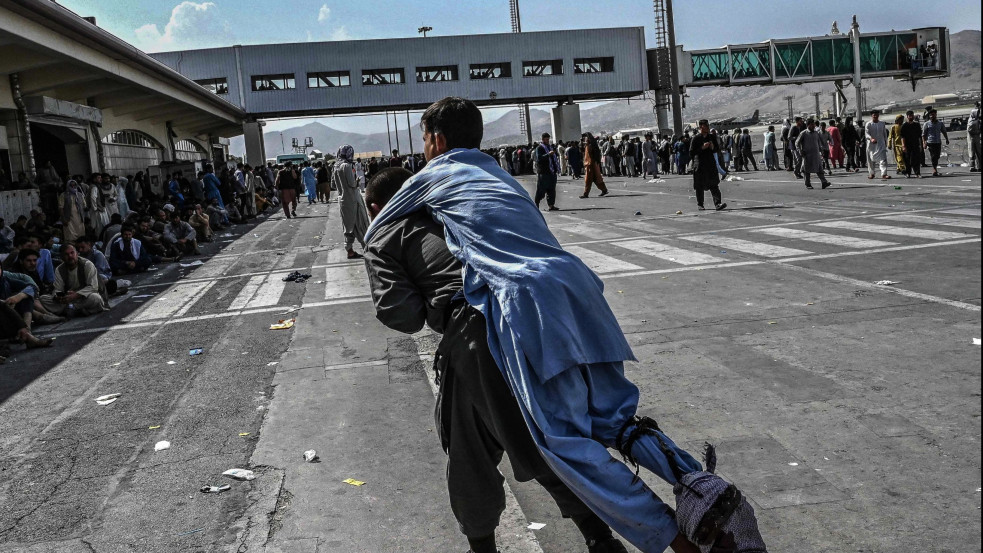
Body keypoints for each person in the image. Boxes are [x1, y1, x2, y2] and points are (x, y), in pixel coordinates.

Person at [365, 97, 763, 553]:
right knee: (618, 422)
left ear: (435, 140)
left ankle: (682, 543)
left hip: (515, 308)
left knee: (561, 444)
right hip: (576, 293)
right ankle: (706, 494)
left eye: (423, 141)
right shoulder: (494, 175)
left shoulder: (423, 186)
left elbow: (396, 291)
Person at [0, 264, 53, 359]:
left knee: (25, 295)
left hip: (11, 322)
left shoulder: (5, 280)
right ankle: (27, 334)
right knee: (2, 305)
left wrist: (18, 297)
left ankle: (27, 330)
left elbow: (32, 286)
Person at [40, 244, 106, 317]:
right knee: (43, 299)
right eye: (66, 254)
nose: (70, 256)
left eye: (72, 253)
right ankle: (75, 309)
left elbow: (93, 287)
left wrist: (75, 295)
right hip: (68, 299)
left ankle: (72, 308)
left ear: (77, 253)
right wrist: (59, 296)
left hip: (83, 297)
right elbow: (58, 289)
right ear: (62, 257)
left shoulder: (87, 265)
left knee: (95, 298)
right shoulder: (59, 269)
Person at [331, 145, 369, 259]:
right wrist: (357, 180)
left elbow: (333, 185)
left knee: (347, 226)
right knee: (360, 224)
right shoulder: (346, 166)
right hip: (353, 199)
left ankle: (350, 250)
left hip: (342, 201)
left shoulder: (335, 166)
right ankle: (367, 249)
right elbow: (352, 184)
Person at [690, 120, 727, 211]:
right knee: (699, 186)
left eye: (708, 125)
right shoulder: (696, 138)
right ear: (701, 127)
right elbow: (691, 152)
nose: (707, 127)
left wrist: (712, 147)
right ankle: (700, 204)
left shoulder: (711, 137)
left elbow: (716, 149)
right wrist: (702, 148)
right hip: (700, 164)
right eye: (705, 126)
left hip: (710, 164)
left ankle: (718, 203)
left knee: (714, 184)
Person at [796, 119, 832, 189]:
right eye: (812, 124)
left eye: (814, 124)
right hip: (807, 155)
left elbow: (818, 143)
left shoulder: (816, 133)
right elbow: (797, 143)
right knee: (807, 170)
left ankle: (824, 182)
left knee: (820, 169)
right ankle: (808, 184)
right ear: (808, 125)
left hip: (816, 155)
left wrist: (821, 150)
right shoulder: (804, 133)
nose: (813, 126)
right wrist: (800, 151)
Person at [534, 132, 560, 211]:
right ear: (542, 139)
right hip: (544, 172)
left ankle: (551, 205)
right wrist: (548, 154)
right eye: (546, 139)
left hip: (551, 172)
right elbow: (539, 158)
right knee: (541, 189)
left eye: (548, 139)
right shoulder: (540, 148)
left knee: (552, 189)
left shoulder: (550, 147)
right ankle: (536, 204)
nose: (548, 141)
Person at [922, 109, 949, 176]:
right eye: (930, 115)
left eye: (933, 114)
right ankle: (934, 169)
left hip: (938, 142)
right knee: (933, 156)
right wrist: (924, 142)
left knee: (937, 156)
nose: (932, 116)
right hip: (930, 142)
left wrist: (946, 139)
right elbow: (923, 134)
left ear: (936, 115)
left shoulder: (940, 123)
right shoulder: (926, 124)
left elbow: (944, 131)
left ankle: (935, 167)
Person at [581, 133, 608, 199]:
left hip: (590, 165)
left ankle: (586, 194)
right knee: (596, 179)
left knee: (588, 180)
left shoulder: (590, 146)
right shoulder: (590, 145)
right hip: (591, 164)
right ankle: (604, 190)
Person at [864, 110, 890, 180]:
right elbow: (866, 134)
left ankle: (884, 174)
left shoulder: (882, 123)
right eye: (874, 115)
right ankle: (872, 173)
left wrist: (885, 142)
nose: (875, 116)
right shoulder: (868, 124)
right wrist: (871, 138)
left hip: (881, 144)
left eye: (877, 115)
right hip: (871, 145)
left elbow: (884, 133)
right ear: (871, 116)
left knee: (883, 159)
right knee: (871, 160)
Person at [900, 110, 924, 178]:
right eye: (910, 116)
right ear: (907, 117)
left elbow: (919, 136)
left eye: (912, 115)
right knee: (907, 160)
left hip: (915, 145)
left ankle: (917, 173)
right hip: (907, 145)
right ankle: (908, 173)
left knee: (916, 159)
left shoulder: (917, 125)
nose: (911, 117)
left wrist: (920, 145)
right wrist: (903, 146)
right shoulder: (904, 126)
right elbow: (902, 136)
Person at [968, 101, 981, 172]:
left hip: (975, 137)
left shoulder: (976, 120)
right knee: (972, 152)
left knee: (978, 152)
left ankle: (979, 166)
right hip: (972, 138)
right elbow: (970, 130)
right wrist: (977, 132)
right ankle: (972, 166)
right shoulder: (972, 121)